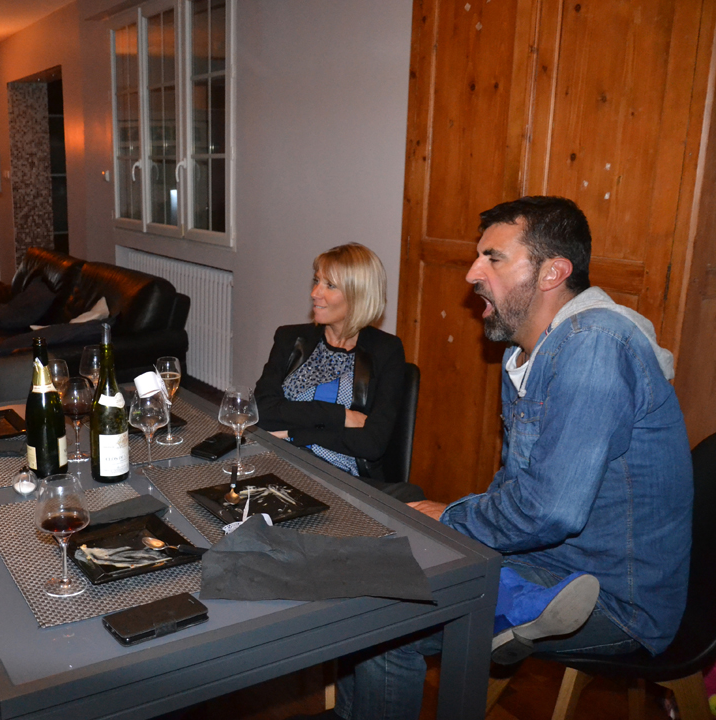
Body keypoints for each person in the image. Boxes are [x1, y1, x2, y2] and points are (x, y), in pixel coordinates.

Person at [322, 196, 693, 720]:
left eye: (493, 258)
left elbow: (549, 511)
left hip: (615, 598)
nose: (472, 273)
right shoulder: (525, 352)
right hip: (545, 561)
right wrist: (450, 528)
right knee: (372, 569)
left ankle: (505, 606)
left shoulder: (594, 347)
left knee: (388, 623)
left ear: (552, 272)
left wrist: (452, 520)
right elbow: (517, 485)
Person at [255, 242, 423, 501]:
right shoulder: (290, 338)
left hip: (344, 479)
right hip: (282, 462)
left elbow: (372, 443)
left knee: (413, 499)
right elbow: (262, 412)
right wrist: (341, 416)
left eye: (330, 285)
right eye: (316, 281)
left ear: (359, 295)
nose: (315, 293)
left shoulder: (386, 351)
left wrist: (294, 432)